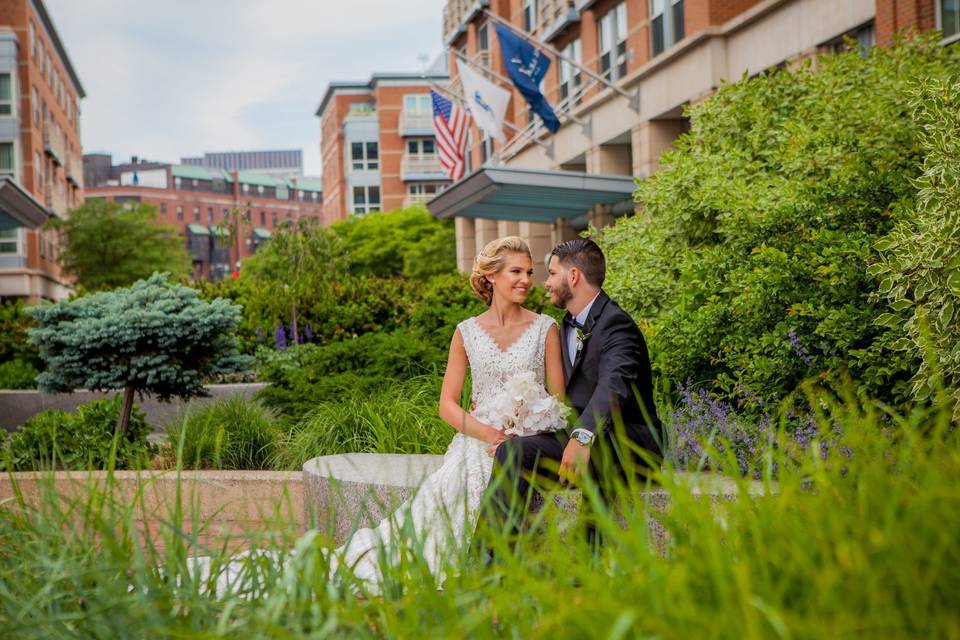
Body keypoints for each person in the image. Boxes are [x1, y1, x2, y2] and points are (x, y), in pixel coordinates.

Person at [325, 236, 565, 593]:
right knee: (450, 491)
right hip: (478, 440)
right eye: (516, 271)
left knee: (497, 469)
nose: (526, 280)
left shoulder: (546, 328)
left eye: (530, 272)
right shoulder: (465, 332)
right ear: (491, 276)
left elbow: (558, 400)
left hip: (528, 439)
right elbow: (447, 405)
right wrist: (491, 435)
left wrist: (527, 424)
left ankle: (485, 570)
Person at [489, 238, 663, 547]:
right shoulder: (567, 325)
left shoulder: (616, 324)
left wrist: (583, 435)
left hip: (629, 443)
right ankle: (493, 563)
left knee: (592, 453)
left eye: (552, 273)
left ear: (573, 277)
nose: (546, 283)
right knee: (512, 452)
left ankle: (587, 555)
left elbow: (614, 385)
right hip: (589, 439)